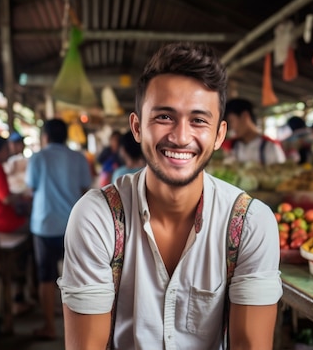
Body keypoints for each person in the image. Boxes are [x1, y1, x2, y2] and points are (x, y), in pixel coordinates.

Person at [58, 42, 282, 349]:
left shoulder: (250, 223)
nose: (180, 137)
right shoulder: (98, 217)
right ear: (137, 127)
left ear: (219, 135)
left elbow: (250, 344)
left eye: (199, 120)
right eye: (164, 117)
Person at [25, 119, 92, 340]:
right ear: (66, 136)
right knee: (78, 277)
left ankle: (49, 327)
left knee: (46, 277)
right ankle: (80, 331)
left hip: (44, 225)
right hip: (73, 224)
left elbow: (32, 188)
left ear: (45, 136)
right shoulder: (78, 158)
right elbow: (85, 191)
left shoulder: (37, 158)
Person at [224, 98, 286, 165]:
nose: (231, 127)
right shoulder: (236, 147)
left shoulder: (269, 148)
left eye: (231, 121)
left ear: (245, 116)